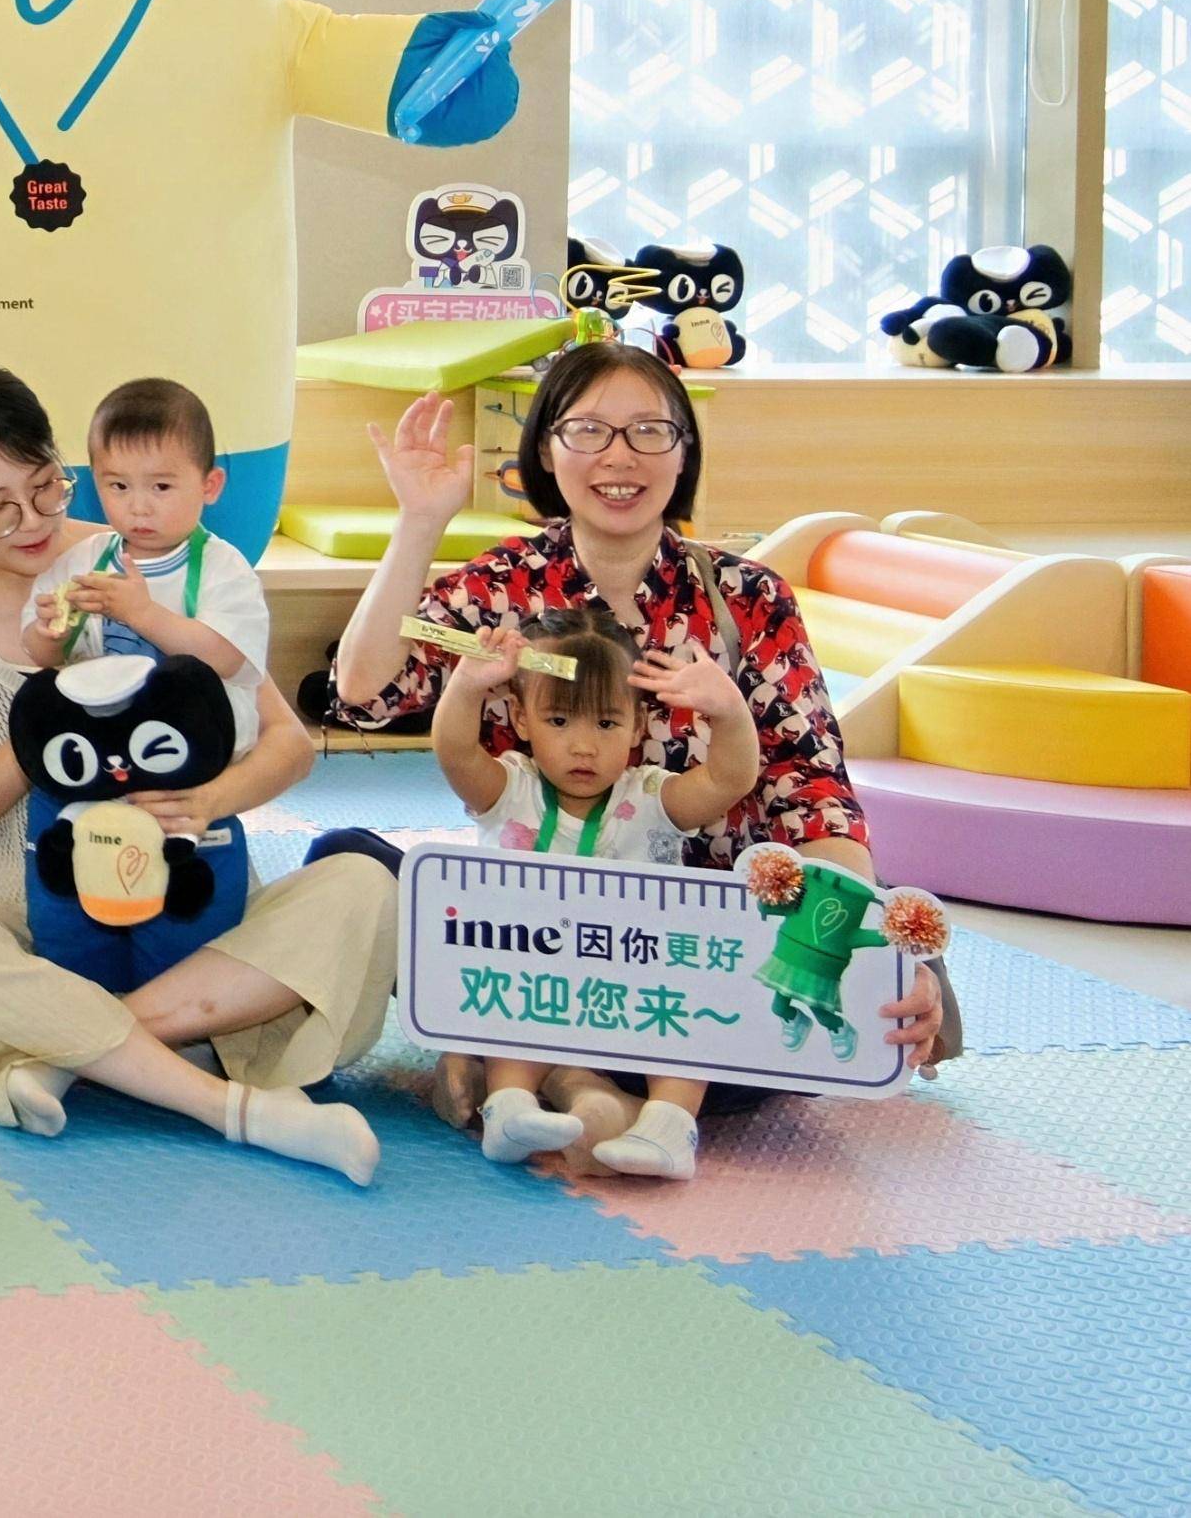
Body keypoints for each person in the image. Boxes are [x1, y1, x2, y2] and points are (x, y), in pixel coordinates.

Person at [328, 337, 955, 1096]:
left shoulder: (748, 597)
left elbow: (810, 784)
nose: (618, 456)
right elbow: (363, 691)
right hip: (532, 923)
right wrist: (419, 522)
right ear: (546, 448)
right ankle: (563, 1070)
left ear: (684, 451)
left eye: (649, 431)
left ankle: (520, 1059)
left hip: (699, 936)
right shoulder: (501, 588)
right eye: (587, 430)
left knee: (850, 968)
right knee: (347, 865)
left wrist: (861, 941)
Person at [0, 364, 388, 1184]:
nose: (31, 522)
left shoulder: (139, 554)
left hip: (197, 910)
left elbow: (288, 744)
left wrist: (207, 799)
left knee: (363, 885)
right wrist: (56, 733)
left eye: (45, 486)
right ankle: (226, 1101)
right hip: (32, 916)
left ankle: (69, 1048)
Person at [430, 612, 755, 1178]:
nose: (583, 746)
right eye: (559, 720)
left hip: (635, 987)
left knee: (692, 1005)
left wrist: (729, 711)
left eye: (606, 723)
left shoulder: (651, 797)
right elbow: (455, 753)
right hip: (538, 978)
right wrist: (466, 685)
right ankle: (509, 1108)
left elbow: (730, 779)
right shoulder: (511, 789)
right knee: (509, 994)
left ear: (637, 727)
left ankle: (669, 1127)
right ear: (521, 719)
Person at [29, 378, 264, 707]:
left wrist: (143, 613)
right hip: (107, 732)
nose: (139, 507)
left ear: (209, 486)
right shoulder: (81, 562)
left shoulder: (224, 568)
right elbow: (40, 656)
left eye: (161, 487)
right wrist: (50, 632)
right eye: (120, 486)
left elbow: (228, 659)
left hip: (198, 735)